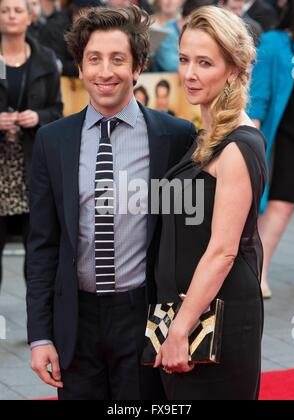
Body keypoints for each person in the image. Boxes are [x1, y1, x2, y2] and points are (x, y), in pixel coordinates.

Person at [27, 6, 196, 400]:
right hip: (75, 319)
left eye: (118, 59)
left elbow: (187, 237)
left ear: (137, 67)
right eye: (94, 59)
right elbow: (42, 245)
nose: (105, 71)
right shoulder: (53, 142)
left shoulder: (174, 137)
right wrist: (39, 336)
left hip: (144, 315)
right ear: (80, 68)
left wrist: (183, 326)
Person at [153, 5, 267, 400]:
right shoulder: (206, 137)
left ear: (233, 69)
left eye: (205, 62)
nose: (189, 74)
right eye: (184, 59)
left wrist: (180, 330)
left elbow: (222, 251)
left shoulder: (239, 144)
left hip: (215, 324)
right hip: (188, 316)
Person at [0, 0, 62, 291]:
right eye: (4, 10)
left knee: (36, 252)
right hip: (2, 166)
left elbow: (57, 111)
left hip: (31, 164)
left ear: (29, 16)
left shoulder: (45, 59)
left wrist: (37, 116)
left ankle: (37, 328)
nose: (11, 16)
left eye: (17, 10)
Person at [248, 0, 294, 299]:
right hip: (286, 138)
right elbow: (260, 95)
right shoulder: (274, 42)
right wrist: (252, 138)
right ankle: (259, 273)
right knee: (280, 206)